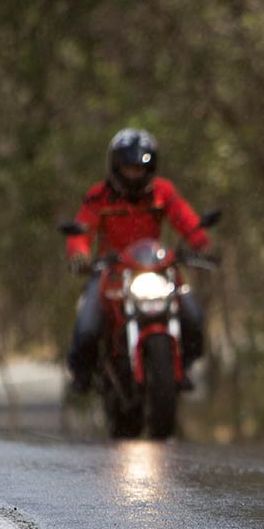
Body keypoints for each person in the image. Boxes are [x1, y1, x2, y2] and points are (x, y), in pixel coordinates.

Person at [65, 128, 210, 394]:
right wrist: (79, 254)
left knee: (192, 314)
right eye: (128, 168)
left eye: (139, 168)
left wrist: (200, 243)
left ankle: (184, 366)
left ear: (151, 167)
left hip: (155, 268)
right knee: (87, 325)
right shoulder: (99, 196)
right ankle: (81, 373)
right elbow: (81, 231)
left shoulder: (162, 192)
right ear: (116, 167)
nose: (134, 174)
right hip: (112, 271)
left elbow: (185, 219)